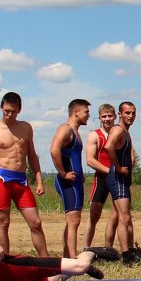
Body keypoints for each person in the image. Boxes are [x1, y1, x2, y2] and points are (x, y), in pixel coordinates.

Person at [0, 91, 48, 257]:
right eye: (6, 110)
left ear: (19, 110)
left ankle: (46, 261)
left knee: (35, 222)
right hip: (1, 178)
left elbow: (32, 155)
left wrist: (39, 180)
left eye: (13, 111)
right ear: (1, 107)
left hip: (21, 181)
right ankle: (4, 262)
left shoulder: (26, 128)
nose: (9, 114)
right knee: (3, 222)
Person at [49, 98, 91, 258]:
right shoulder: (65, 129)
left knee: (73, 220)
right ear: (76, 112)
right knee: (73, 221)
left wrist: (80, 176)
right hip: (68, 182)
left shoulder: (75, 132)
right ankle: (73, 260)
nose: (88, 115)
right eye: (86, 112)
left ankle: (68, 257)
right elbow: (54, 150)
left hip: (75, 182)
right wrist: (63, 173)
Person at [104, 101, 139, 263]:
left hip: (123, 180)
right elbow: (108, 146)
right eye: (127, 113)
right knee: (124, 218)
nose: (130, 116)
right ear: (120, 114)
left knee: (124, 217)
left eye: (133, 112)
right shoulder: (117, 129)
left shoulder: (126, 131)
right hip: (117, 179)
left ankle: (129, 251)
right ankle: (126, 256)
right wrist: (118, 167)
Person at [83, 103, 120, 255]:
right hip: (102, 179)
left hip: (117, 178)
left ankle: (108, 249)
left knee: (116, 214)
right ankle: (85, 249)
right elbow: (90, 160)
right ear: (99, 118)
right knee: (94, 215)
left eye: (110, 116)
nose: (107, 119)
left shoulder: (119, 133)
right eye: (104, 116)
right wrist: (110, 171)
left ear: (115, 117)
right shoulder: (95, 135)